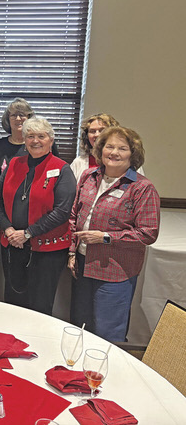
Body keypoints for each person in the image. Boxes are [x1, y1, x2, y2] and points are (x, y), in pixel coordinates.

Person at [68, 127, 159, 342]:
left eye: (122, 148)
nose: (114, 153)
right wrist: (72, 252)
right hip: (82, 263)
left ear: (133, 154)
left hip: (115, 270)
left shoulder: (142, 188)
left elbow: (148, 233)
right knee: (80, 326)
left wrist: (106, 237)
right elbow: (74, 216)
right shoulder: (88, 176)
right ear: (100, 149)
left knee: (108, 332)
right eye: (109, 146)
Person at [0, 116, 76, 315]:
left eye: (41, 136)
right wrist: (8, 228)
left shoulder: (62, 169)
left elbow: (62, 211)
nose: (35, 141)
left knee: (39, 305)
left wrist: (28, 233)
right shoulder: (14, 164)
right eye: (30, 136)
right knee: (12, 302)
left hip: (46, 250)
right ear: (24, 140)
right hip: (12, 244)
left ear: (51, 140)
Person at [70, 113, 120, 180]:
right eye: (92, 131)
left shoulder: (122, 162)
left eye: (102, 130)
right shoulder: (79, 163)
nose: (97, 135)